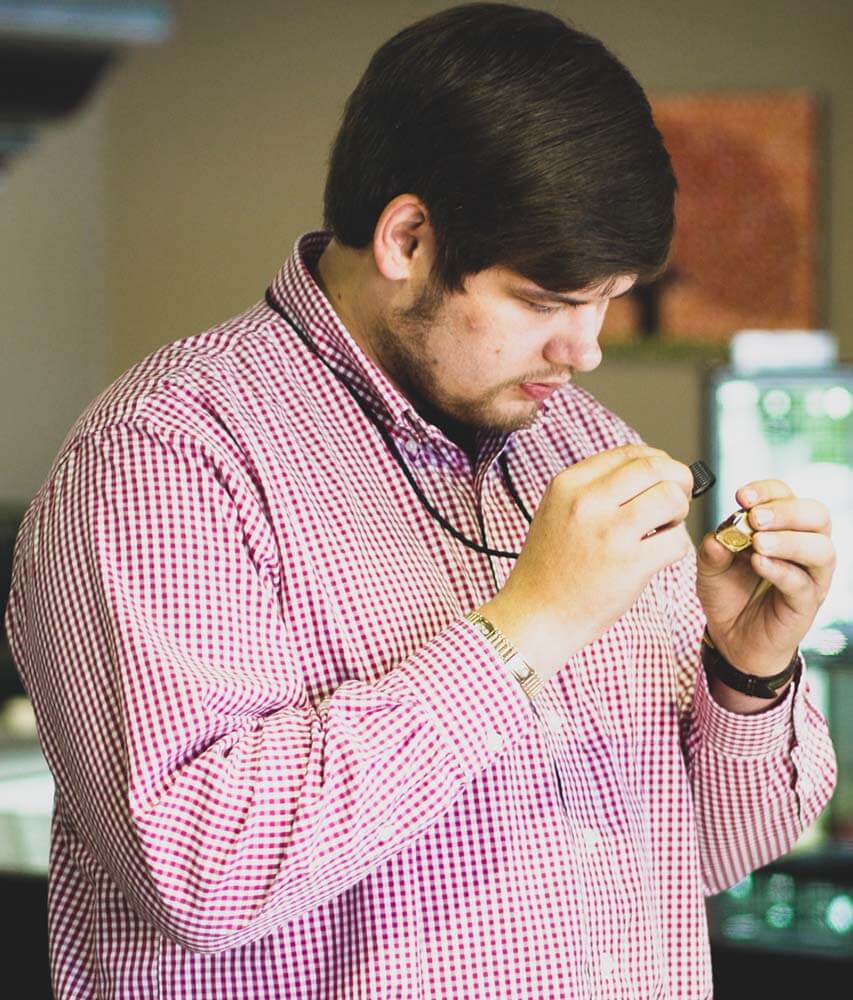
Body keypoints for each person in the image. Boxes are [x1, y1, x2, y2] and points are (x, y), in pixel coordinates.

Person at [5, 4, 837, 998]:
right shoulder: (166, 456)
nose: (587, 351)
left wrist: (747, 671)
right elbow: (197, 873)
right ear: (406, 239)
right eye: (546, 300)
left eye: (609, 296)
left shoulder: (586, 440)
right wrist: (525, 630)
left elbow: (705, 853)